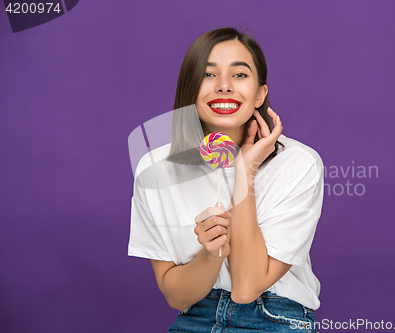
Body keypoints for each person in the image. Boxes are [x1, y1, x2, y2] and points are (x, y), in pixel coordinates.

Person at [128, 27, 324, 332]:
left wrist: (245, 171)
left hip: (276, 318)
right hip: (194, 318)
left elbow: (247, 288)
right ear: (190, 89)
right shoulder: (155, 169)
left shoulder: (298, 164)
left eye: (240, 75)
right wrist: (210, 254)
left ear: (260, 94)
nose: (224, 86)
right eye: (208, 75)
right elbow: (176, 296)